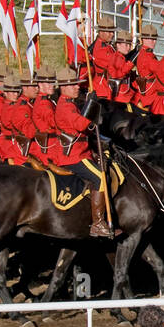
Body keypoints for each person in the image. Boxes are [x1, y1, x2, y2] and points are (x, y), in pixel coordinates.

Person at [50, 67, 117, 238]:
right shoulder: (65, 107)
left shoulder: (70, 104)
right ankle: (98, 223)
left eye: (77, 84)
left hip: (82, 152)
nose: (77, 87)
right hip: (73, 156)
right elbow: (83, 125)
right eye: (73, 85)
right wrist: (91, 105)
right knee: (100, 178)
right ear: (64, 87)